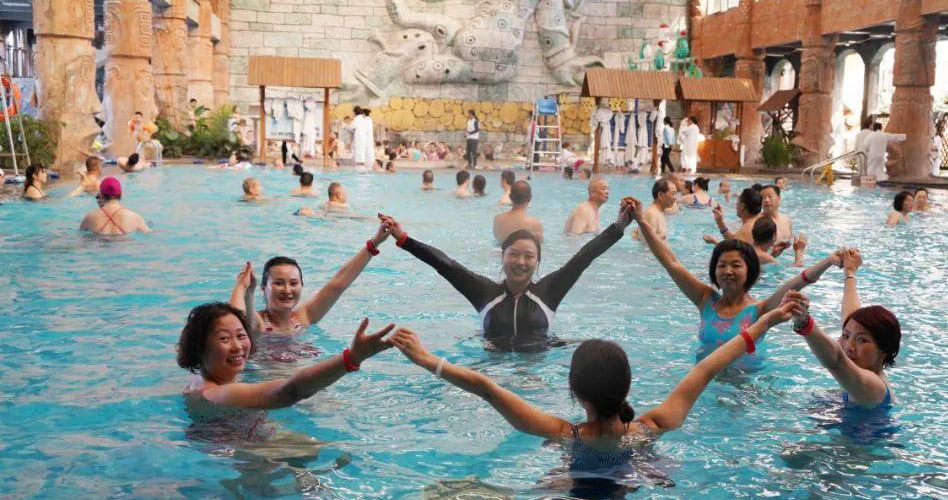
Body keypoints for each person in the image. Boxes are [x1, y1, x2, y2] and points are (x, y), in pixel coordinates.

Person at [387, 297, 798, 453]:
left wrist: (426, 359)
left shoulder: (564, 434)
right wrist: (765, 322)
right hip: (632, 487)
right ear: (627, 385)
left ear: (575, 391)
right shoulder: (653, 427)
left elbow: (487, 389)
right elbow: (708, 367)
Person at [379, 204, 630, 348]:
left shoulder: (549, 291)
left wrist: (619, 226)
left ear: (538, 262)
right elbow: (445, 265)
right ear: (502, 257)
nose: (520, 262)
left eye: (528, 256)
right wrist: (403, 239)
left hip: (537, 371)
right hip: (492, 372)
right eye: (514, 254)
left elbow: (583, 257)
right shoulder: (484, 292)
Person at [629, 195, 840, 359]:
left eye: (736, 265)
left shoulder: (759, 311)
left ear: (750, 271)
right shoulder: (705, 300)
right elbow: (670, 261)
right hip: (706, 387)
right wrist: (641, 219)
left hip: (745, 390)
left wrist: (829, 261)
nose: (727, 271)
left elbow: (798, 282)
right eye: (721, 265)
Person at [178, 302, 394, 413]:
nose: (237, 346)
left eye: (241, 336)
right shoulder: (218, 393)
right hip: (252, 462)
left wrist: (243, 288)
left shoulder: (198, 385)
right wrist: (351, 358)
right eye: (224, 338)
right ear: (200, 347)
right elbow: (290, 391)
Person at [228, 221, 391, 339]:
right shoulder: (259, 324)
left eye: (293, 283)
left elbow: (338, 285)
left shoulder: (303, 318)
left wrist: (374, 243)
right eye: (278, 283)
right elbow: (239, 317)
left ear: (301, 285)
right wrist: (245, 289)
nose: (287, 290)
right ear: (263, 288)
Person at [784, 248, 900, 409]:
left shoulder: (874, 387)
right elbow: (851, 317)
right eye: (845, 336)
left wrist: (804, 322)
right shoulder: (866, 372)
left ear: (884, 351)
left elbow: (837, 361)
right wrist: (849, 272)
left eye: (862, 340)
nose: (848, 346)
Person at [78, 176, 150, 235]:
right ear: (121, 194)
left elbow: (80, 238)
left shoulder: (89, 218)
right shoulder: (135, 217)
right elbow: (148, 234)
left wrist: (102, 209)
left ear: (101, 196)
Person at [631, 177, 677, 242]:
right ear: (660, 195)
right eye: (673, 193)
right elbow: (647, 244)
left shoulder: (659, 213)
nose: (675, 198)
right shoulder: (651, 214)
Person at [760, 184, 792, 252]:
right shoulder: (757, 222)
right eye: (762, 197)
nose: (766, 200)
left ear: (779, 198)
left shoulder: (787, 220)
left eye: (770, 196)